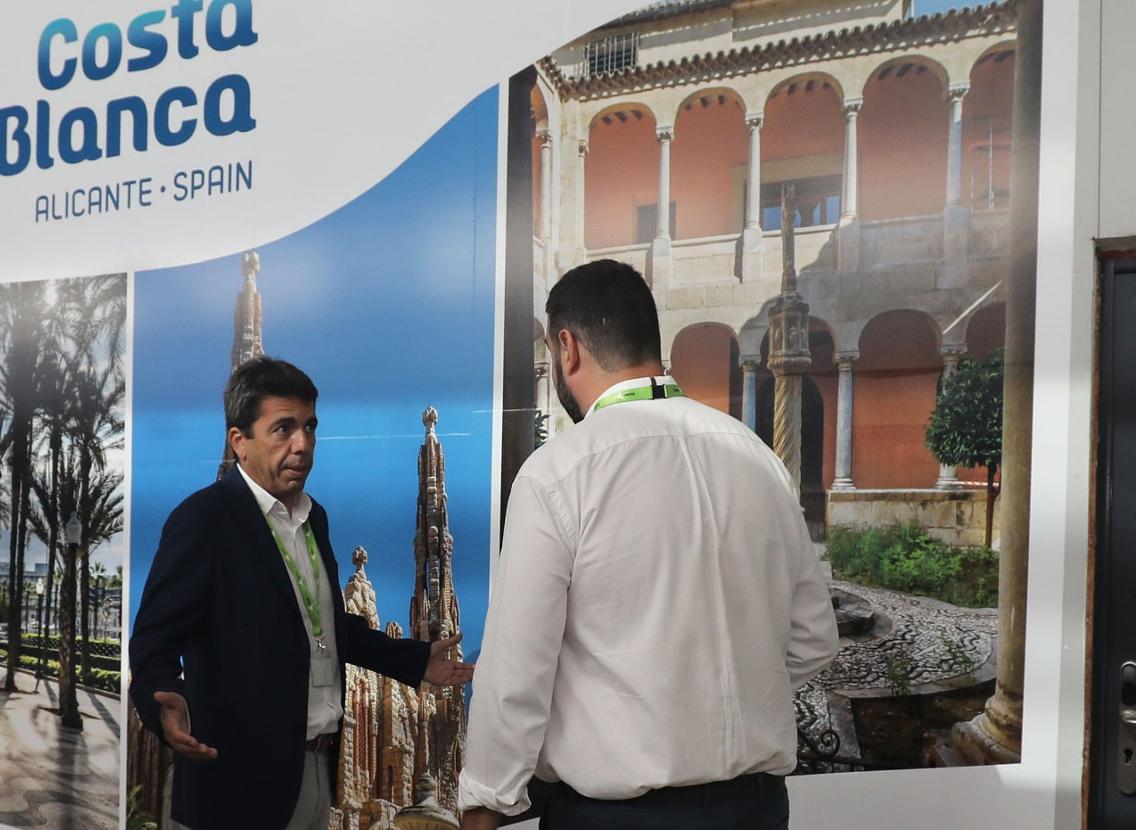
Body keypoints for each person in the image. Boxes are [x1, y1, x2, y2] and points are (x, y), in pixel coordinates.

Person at [458, 259, 839, 830]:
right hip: (755, 810)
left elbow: (516, 671)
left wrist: (485, 804)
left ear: (568, 347)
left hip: (618, 818)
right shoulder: (758, 458)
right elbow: (812, 639)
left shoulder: (558, 473)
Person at [130, 357, 473, 830]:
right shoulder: (203, 521)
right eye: (283, 428)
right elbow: (153, 641)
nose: (303, 444)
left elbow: (326, 626)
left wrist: (416, 660)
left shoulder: (314, 519)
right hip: (234, 786)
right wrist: (159, 699)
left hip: (313, 772)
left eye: (310, 427)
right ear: (239, 442)